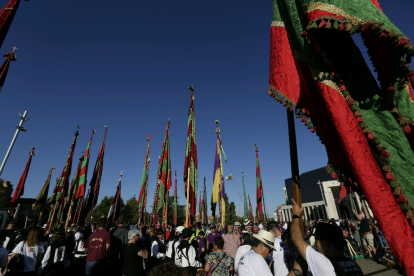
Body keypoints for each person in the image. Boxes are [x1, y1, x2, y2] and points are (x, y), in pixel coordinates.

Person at [291, 199, 363, 276]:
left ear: (325, 245)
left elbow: (296, 238)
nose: (315, 244)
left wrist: (296, 215)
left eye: (317, 241)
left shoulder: (324, 263)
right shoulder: (353, 264)